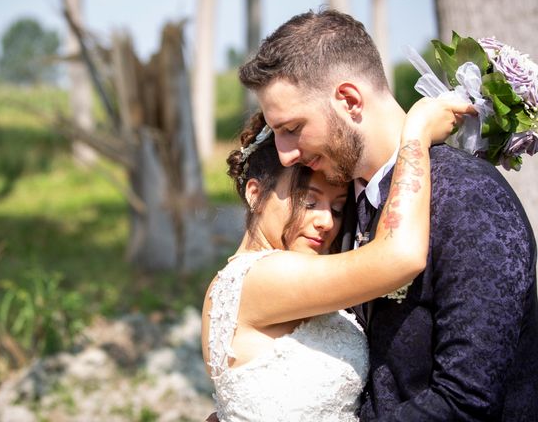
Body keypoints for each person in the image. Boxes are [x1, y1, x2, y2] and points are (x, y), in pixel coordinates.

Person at [238, 9, 538, 420]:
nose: (286, 153)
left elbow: (466, 401)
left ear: (348, 100)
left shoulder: (470, 196)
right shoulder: (342, 208)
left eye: (292, 127)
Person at [201, 97, 473, 421]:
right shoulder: (258, 276)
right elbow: (399, 256)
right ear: (255, 193)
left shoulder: (274, 277)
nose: (327, 222)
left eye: (338, 207)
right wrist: (416, 133)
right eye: (309, 201)